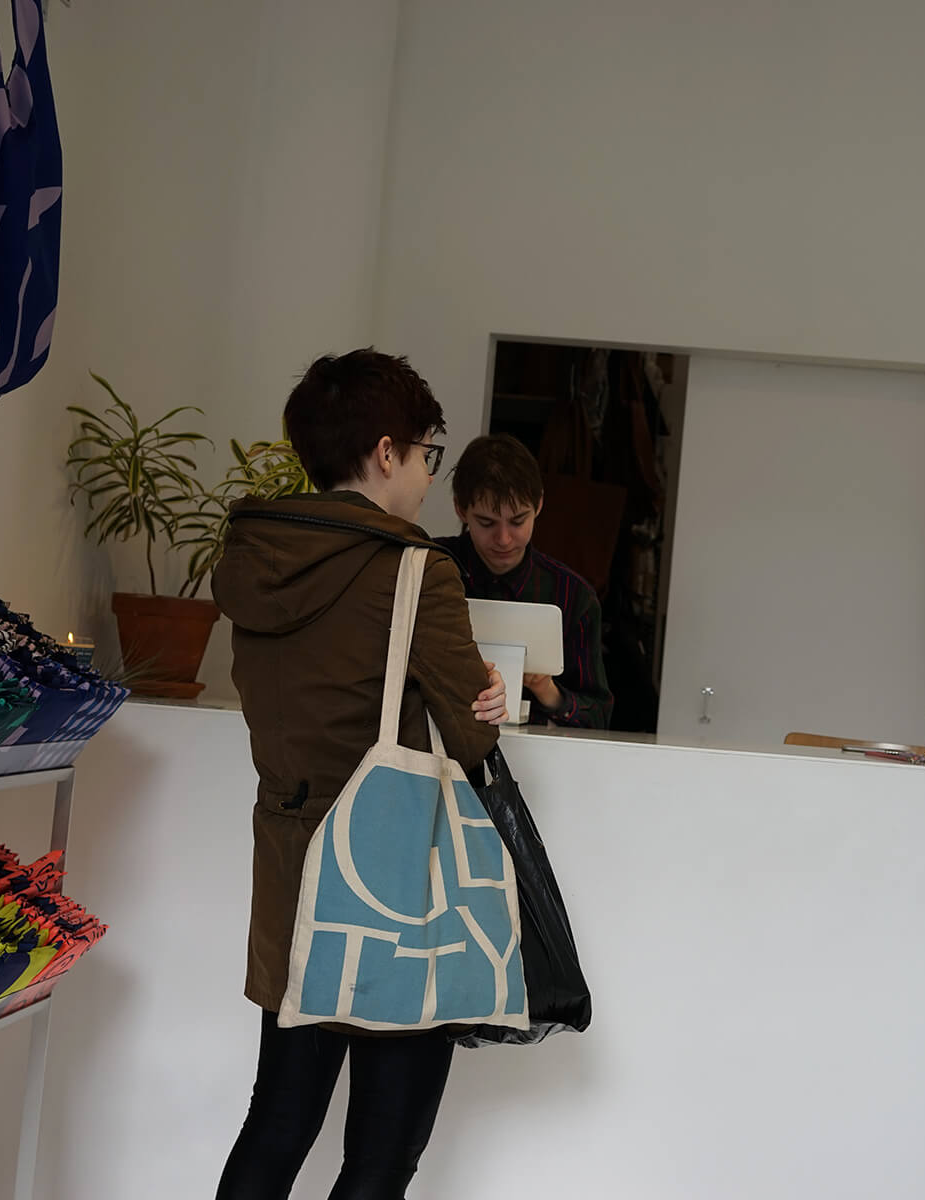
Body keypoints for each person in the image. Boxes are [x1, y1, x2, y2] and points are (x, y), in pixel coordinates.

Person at [210, 349, 508, 1200]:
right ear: (386, 453)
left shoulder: (255, 559)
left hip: (289, 875)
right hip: (389, 890)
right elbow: (469, 738)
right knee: (379, 1160)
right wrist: (487, 693)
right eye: (424, 455)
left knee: (276, 1125)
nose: (425, 476)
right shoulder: (416, 571)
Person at [436, 433, 614, 729]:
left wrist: (548, 690)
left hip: (534, 750)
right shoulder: (429, 569)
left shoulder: (572, 595)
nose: (504, 539)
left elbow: (599, 716)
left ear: (539, 505)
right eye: (487, 523)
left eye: (518, 521)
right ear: (461, 510)